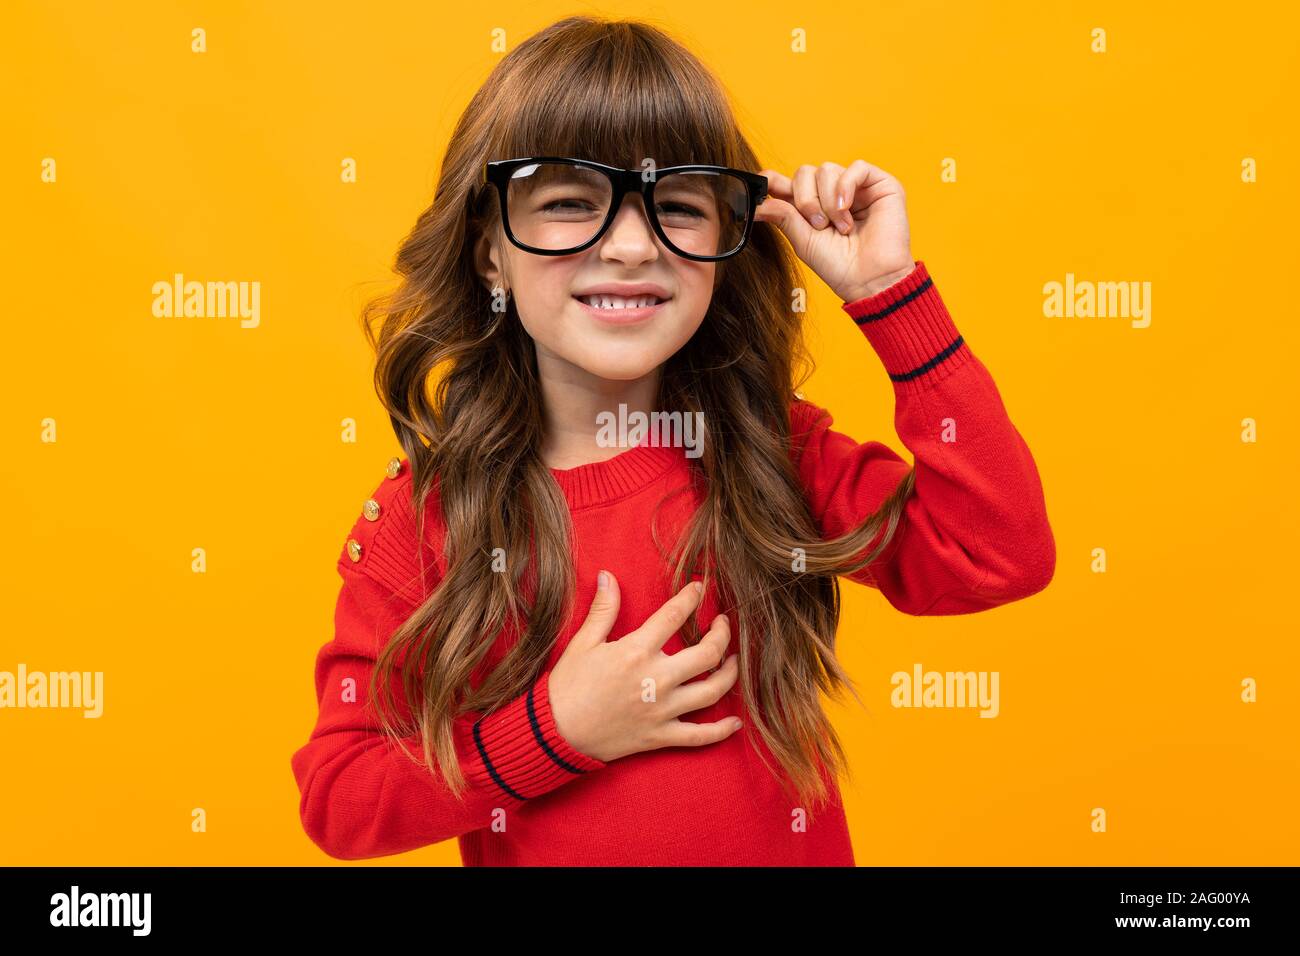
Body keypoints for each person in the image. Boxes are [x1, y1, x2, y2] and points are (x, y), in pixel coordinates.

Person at [290, 15, 1055, 866]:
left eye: (678, 205)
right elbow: (342, 800)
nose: (628, 245)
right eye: (569, 203)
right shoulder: (426, 518)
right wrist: (557, 731)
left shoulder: (768, 450)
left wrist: (888, 293)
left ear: (726, 245)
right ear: (489, 256)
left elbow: (1000, 553)